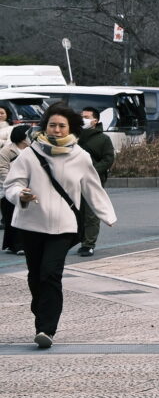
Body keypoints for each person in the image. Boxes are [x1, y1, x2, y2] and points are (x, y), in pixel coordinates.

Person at [4, 105, 116, 348]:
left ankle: (46, 329)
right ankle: (42, 312)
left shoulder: (80, 156)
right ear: (45, 126)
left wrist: (107, 214)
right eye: (52, 125)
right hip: (31, 224)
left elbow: (92, 188)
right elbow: (11, 185)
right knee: (36, 276)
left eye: (61, 126)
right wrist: (20, 194)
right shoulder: (30, 154)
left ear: (71, 128)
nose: (56, 129)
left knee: (50, 273)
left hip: (63, 226)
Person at [73, 108, 116, 258]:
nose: (82, 119)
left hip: (94, 179)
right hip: (73, 179)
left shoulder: (103, 139)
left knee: (91, 212)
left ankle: (88, 244)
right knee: (76, 211)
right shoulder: (73, 136)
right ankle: (79, 239)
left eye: (86, 117)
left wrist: (93, 172)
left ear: (95, 121)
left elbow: (108, 159)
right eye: (81, 116)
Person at [0, 123, 23, 255]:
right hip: (7, 189)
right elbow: (2, 169)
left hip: (23, 188)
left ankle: (14, 245)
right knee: (11, 218)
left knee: (19, 217)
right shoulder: (7, 150)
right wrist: (12, 183)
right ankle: (16, 245)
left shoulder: (31, 150)